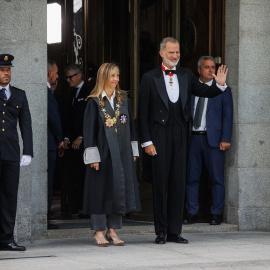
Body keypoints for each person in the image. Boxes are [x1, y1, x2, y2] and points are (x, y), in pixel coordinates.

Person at [138, 37, 228, 244]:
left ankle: (174, 231)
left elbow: (205, 91)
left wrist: (219, 86)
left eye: (177, 52)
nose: (175, 56)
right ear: (161, 53)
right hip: (159, 135)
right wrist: (147, 142)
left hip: (181, 134)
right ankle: (161, 232)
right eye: (171, 52)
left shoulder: (187, 74)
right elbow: (142, 114)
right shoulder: (149, 77)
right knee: (160, 184)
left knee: (178, 183)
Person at [83, 63, 140, 247]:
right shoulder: (93, 101)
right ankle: (99, 231)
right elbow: (89, 131)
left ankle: (113, 230)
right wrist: (93, 157)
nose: (116, 79)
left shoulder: (123, 99)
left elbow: (131, 128)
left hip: (121, 152)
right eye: (112, 75)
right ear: (103, 77)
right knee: (100, 191)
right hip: (102, 153)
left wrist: (133, 151)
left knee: (118, 189)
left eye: (117, 75)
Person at [184, 56, 233, 225]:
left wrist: (225, 138)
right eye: (207, 67)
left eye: (213, 67)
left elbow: (228, 115)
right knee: (191, 178)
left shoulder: (223, 89)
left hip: (213, 141)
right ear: (199, 70)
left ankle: (216, 213)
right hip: (193, 139)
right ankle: (191, 213)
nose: (211, 70)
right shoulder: (189, 87)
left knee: (217, 178)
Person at [0, 54, 33, 251]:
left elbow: (26, 125)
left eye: (8, 70)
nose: (7, 73)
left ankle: (6, 239)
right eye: (3, 70)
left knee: (9, 197)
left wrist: (27, 151)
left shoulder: (19, 94)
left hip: (11, 154)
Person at [63, 64, 93, 217]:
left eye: (70, 77)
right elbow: (68, 118)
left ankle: (85, 208)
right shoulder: (71, 93)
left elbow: (90, 118)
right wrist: (67, 137)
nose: (68, 80)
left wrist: (81, 136)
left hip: (85, 143)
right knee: (74, 176)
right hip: (73, 145)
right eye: (67, 77)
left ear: (79, 75)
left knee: (84, 176)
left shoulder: (90, 91)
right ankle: (75, 208)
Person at [47, 60, 64, 229]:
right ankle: (45, 217)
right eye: (56, 73)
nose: (58, 76)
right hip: (50, 144)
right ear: (49, 73)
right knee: (48, 181)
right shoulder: (46, 91)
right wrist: (60, 139)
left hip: (50, 144)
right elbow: (53, 117)